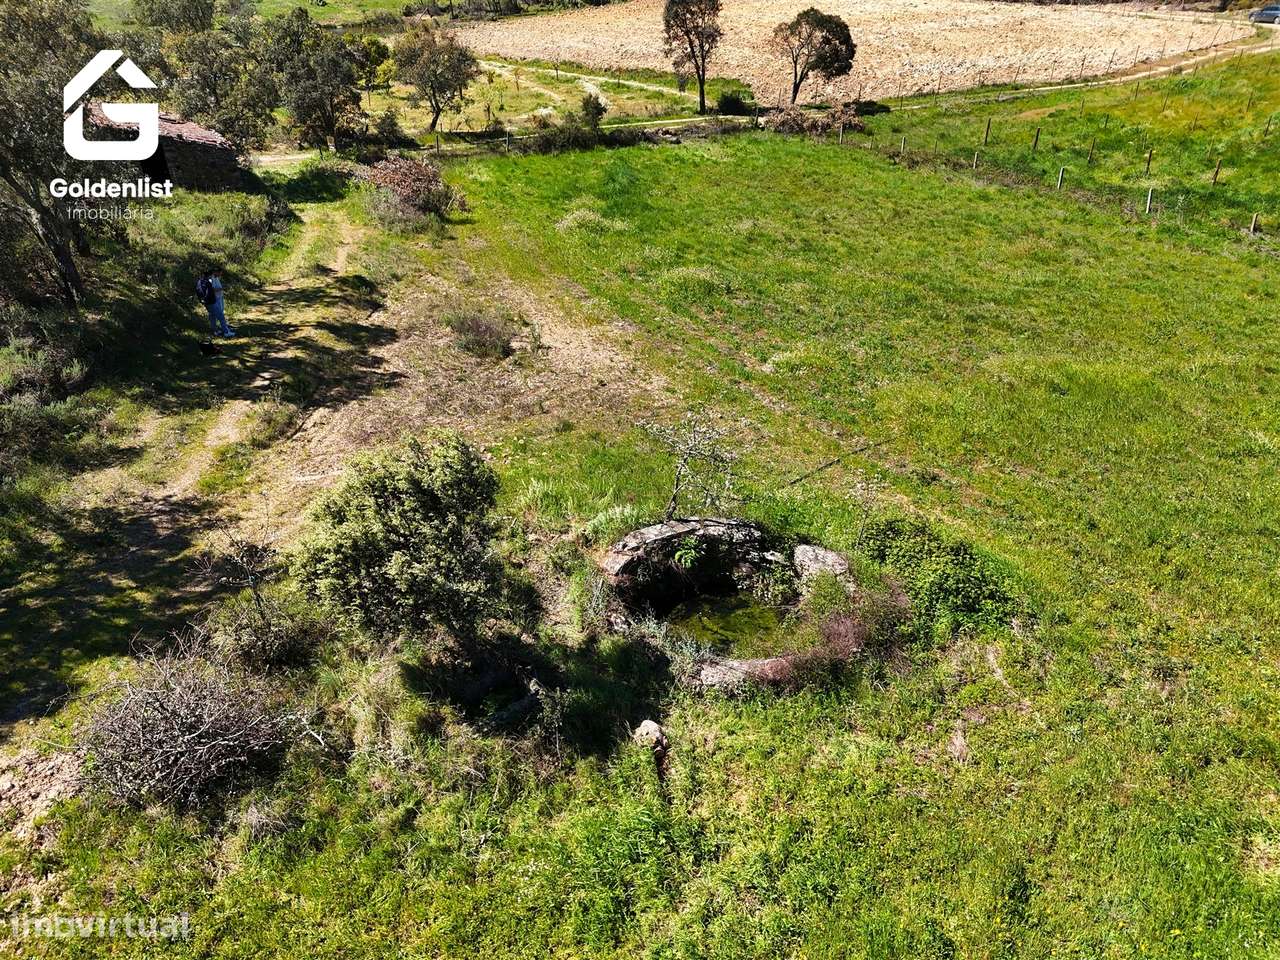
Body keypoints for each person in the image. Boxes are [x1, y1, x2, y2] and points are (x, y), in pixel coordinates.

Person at [196, 268, 235, 338]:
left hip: (206, 302)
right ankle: (226, 332)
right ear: (209, 275)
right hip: (212, 302)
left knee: (212, 316)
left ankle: (215, 331)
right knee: (221, 317)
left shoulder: (200, 281)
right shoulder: (208, 281)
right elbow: (211, 291)